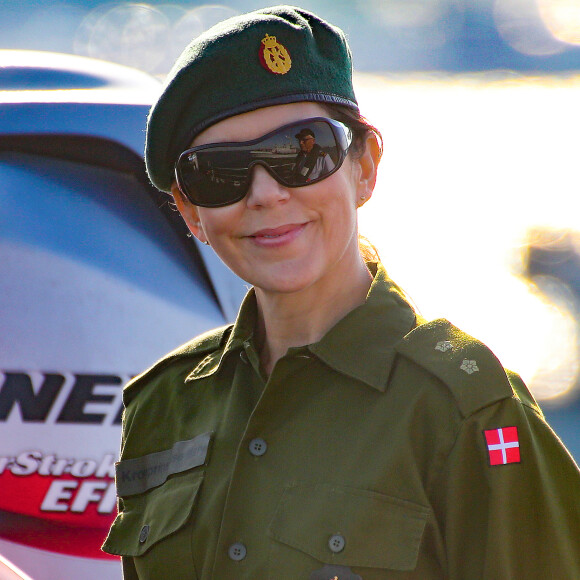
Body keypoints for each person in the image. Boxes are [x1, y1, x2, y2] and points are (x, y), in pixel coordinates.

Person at [102, 5, 580, 579]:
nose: (265, 194)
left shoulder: (462, 405)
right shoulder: (161, 406)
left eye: (302, 152)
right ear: (189, 211)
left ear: (366, 166)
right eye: (220, 173)